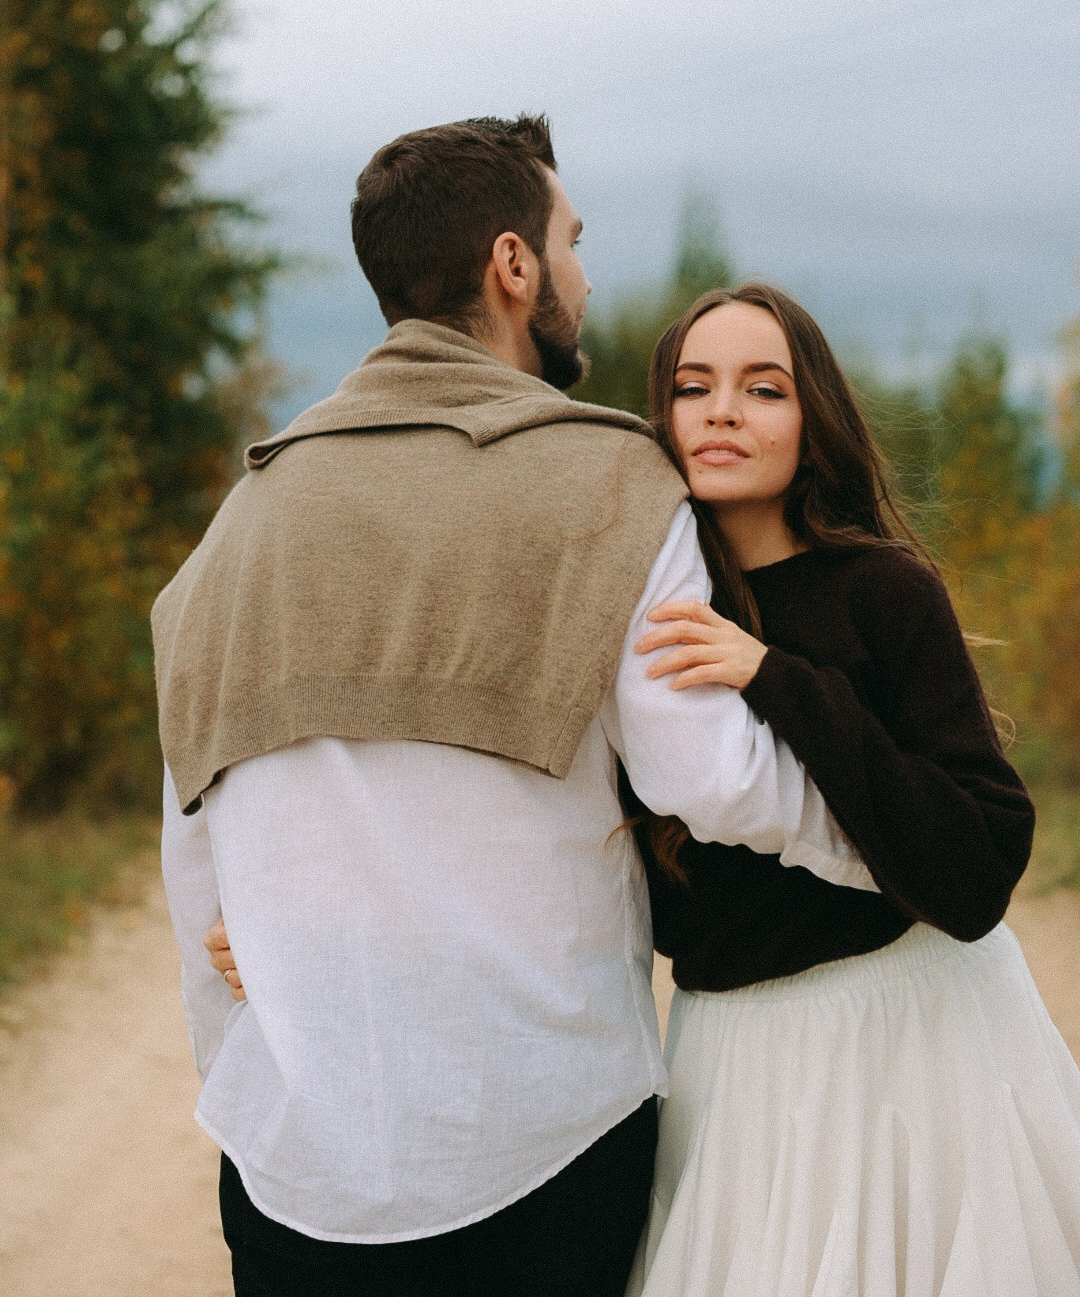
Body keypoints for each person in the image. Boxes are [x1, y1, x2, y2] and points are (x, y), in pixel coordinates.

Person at [155, 118, 874, 1297]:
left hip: (293, 1175)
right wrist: (892, 847)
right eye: (573, 243)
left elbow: (198, 859)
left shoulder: (243, 523)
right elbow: (713, 779)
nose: (584, 276)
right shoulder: (608, 480)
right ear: (514, 267)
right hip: (541, 1155)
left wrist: (252, 1090)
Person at [622, 282, 1080, 1297]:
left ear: (813, 421)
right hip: (732, 1064)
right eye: (693, 388)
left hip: (919, 1040)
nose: (724, 411)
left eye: (764, 388)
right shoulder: (639, 625)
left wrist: (771, 676)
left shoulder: (883, 591)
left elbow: (975, 868)